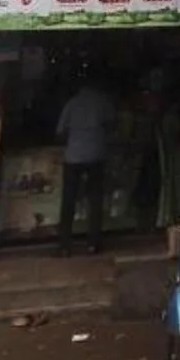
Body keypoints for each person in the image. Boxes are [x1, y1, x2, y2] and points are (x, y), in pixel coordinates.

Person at [54, 72, 117, 256]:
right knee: (95, 200)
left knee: (69, 201)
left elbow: (60, 132)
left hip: (73, 157)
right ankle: (93, 243)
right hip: (96, 155)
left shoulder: (71, 103)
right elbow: (113, 125)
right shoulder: (103, 102)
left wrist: (74, 137)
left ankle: (64, 245)